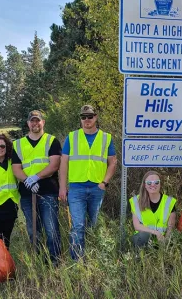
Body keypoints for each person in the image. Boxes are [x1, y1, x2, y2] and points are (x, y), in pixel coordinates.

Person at [59, 104, 117, 260]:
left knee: (94, 224)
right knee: (78, 225)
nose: (87, 120)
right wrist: (62, 188)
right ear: (80, 119)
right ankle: (77, 260)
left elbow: (113, 162)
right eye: (83, 117)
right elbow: (63, 163)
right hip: (76, 189)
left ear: (96, 117)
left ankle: (93, 257)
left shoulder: (106, 138)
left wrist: (104, 183)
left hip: (97, 188)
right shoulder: (72, 137)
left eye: (90, 116)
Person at [12, 110, 62, 264]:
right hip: (27, 194)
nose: (35, 123)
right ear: (28, 123)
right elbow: (16, 168)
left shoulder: (51, 141)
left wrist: (36, 177)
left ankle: (55, 260)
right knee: (33, 230)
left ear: (43, 122)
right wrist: (28, 180)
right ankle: (39, 260)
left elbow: (54, 165)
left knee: (51, 228)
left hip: (49, 191)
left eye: (37, 121)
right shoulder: (18, 144)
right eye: (32, 121)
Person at [129, 171, 177, 247]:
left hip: (162, 240)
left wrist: (166, 242)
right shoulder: (136, 201)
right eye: (149, 183)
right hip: (143, 239)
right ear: (145, 185)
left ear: (160, 184)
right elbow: (137, 226)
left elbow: (170, 227)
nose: (153, 185)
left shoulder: (169, 201)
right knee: (142, 237)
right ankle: (140, 258)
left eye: (156, 182)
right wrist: (156, 233)